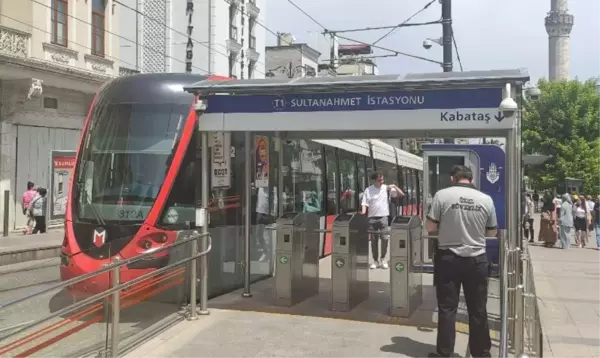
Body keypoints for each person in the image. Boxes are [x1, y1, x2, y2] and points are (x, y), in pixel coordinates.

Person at [424, 165, 496, 358]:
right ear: (471, 180)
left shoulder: (442, 195)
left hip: (448, 258)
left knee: (447, 308)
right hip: (477, 259)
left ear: (453, 179)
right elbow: (492, 231)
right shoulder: (486, 199)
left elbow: (430, 227)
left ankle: (444, 352)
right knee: (478, 308)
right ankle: (481, 353)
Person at [360, 171, 404, 270]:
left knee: (384, 238)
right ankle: (375, 260)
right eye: (380, 180)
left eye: (382, 179)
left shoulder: (386, 188)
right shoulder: (368, 190)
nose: (382, 181)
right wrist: (363, 214)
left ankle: (383, 258)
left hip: (384, 217)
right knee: (374, 241)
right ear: (374, 180)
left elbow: (401, 194)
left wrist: (395, 186)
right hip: (372, 218)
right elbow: (364, 203)